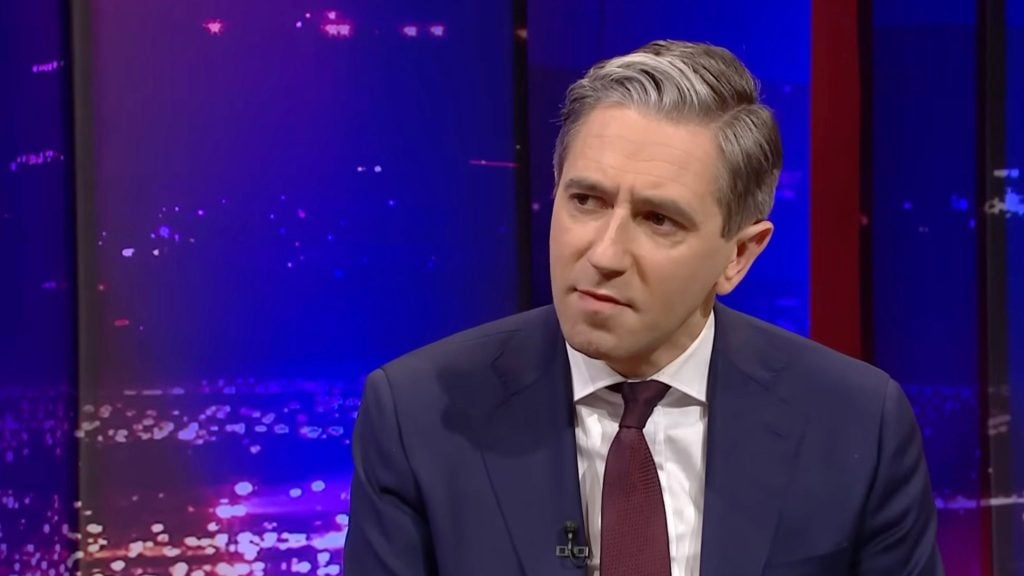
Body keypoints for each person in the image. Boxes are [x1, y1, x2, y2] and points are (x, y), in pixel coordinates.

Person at [343, 40, 943, 576]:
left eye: (658, 219)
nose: (603, 253)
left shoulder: (856, 423)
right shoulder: (419, 414)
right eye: (585, 200)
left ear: (738, 255)